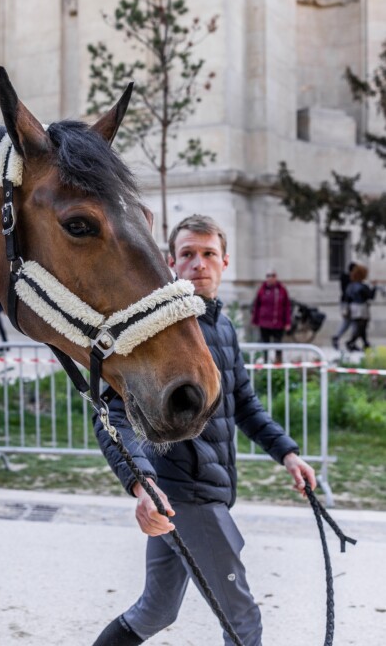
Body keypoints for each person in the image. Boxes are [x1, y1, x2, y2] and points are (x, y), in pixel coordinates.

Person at [90, 214, 316, 646]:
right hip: (183, 495)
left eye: (208, 254)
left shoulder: (223, 327)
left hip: (203, 492)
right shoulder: (156, 332)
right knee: (242, 620)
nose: (199, 263)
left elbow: (244, 404)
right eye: (188, 254)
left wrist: (288, 453)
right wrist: (142, 485)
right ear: (171, 263)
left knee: (155, 611)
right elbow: (114, 415)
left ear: (225, 262)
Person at [250, 269, 291, 362]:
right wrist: (255, 321)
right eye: (268, 276)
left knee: (278, 344)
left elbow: (287, 307)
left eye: (272, 276)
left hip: (278, 323)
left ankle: (278, 362)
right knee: (265, 345)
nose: (270, 278)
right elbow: (257, 306)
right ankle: (265, 362)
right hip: (264, 323)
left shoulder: (281, 290)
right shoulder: (262, 290)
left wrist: (287, 322)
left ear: (276, 277)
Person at [345, 263, 376, 352]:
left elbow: (347, 297)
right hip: (361, 308)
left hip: (353, 308)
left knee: (361, 327)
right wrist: (374, 288)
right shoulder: (362, 286)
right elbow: (370, 296)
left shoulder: (351, 286)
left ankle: (365, 344)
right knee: (361, 327)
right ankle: (351, 342)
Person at [332, 261, 356, 350]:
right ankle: (352, 341)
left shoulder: (346, 278)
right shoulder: (347, 278)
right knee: (353, 322)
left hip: (346, 303)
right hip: (348, 304)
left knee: (347, 323)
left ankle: (337, 337)